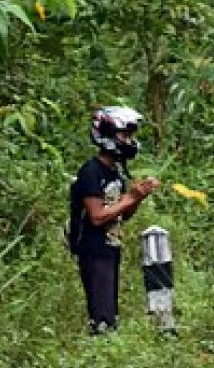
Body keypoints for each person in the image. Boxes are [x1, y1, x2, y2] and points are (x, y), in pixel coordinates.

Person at [67, 106, 159, 334]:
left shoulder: (114, 173)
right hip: (94, 250)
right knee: (102, 319)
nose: (129, 140)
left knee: (110, 315)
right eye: (124, 135)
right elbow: (97, 217)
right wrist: (130, 197)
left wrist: (137, 199)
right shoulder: (91, 172)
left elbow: (122, 213)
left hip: (111, 248)